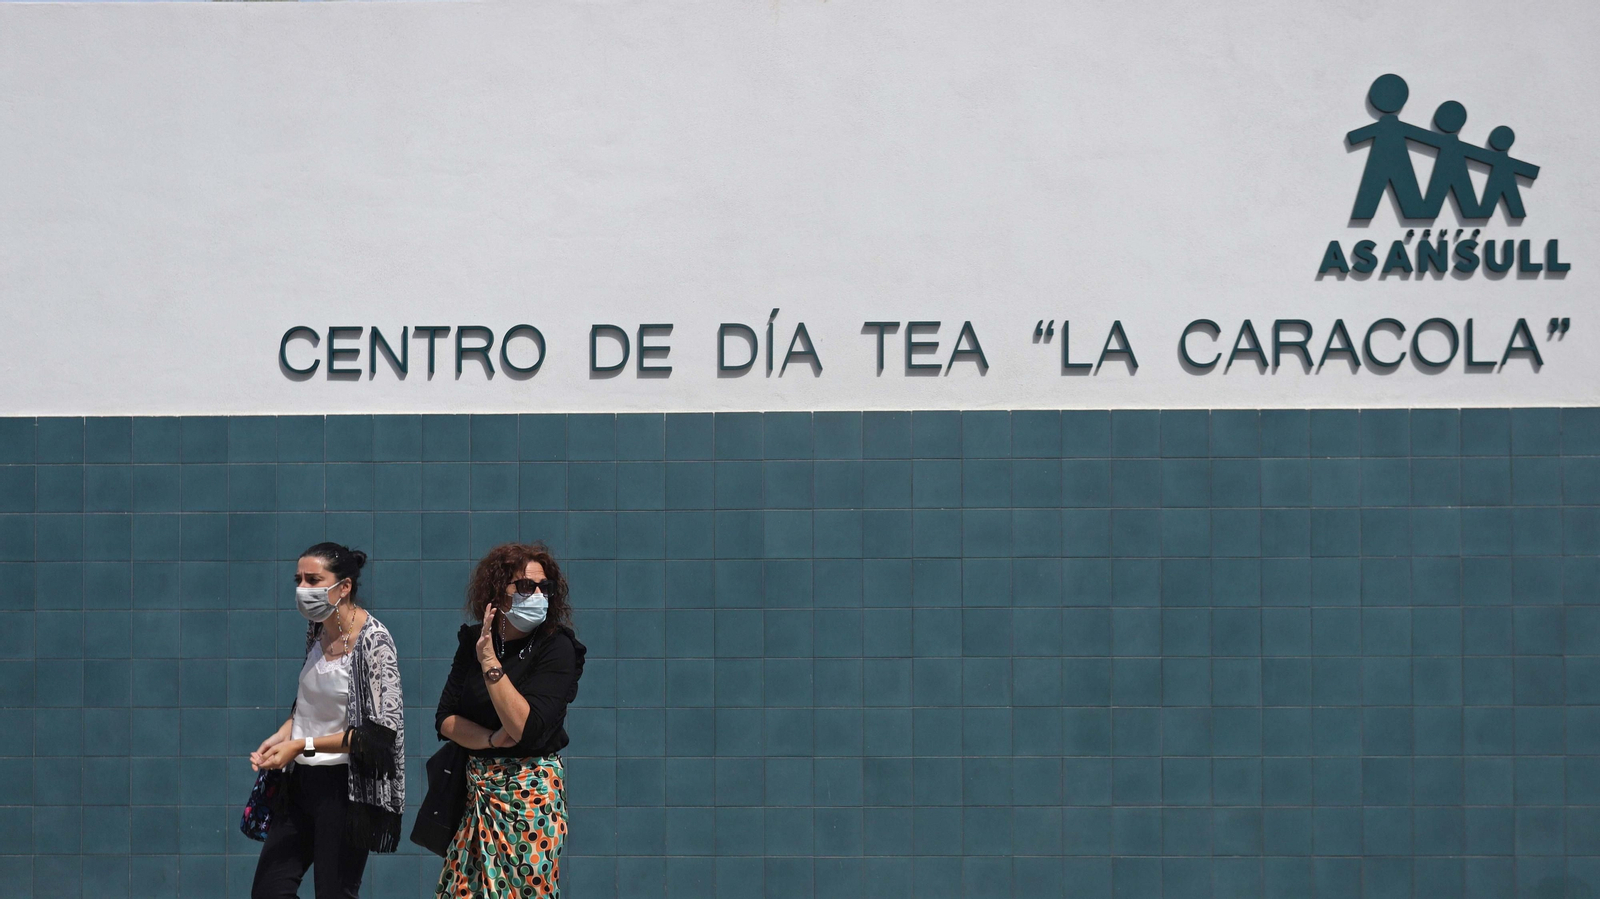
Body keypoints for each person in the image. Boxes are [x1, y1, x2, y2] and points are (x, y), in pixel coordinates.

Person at [250, 543, 407, 899]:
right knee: (269, 890)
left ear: (344, 586)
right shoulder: (318, 631)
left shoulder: (375, 642)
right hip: (300, 782)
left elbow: (379, 734)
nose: (302, 589)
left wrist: (300, 745)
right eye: (299, 580)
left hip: (345, 789)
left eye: (313, 580)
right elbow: (309, 705)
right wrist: (280, 736)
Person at [434, 542, 586, 899]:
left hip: (529, 798)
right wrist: (488, 740)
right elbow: (445, 719)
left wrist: (490, 663)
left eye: (544, 587)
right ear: (496, 594)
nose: (536, 594)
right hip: (478, 794)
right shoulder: (474, 640)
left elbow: (526, 729)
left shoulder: (557, 647)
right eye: (524, 586)